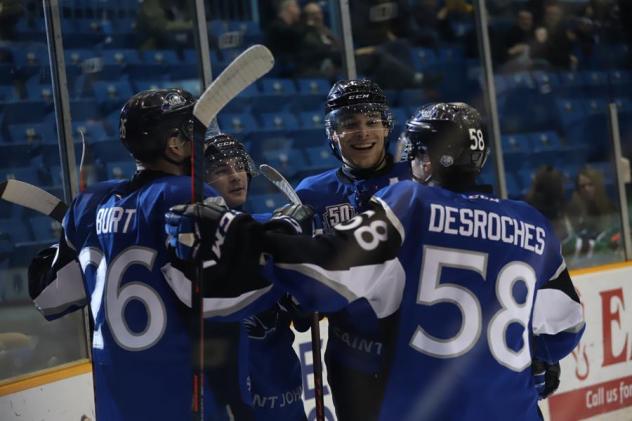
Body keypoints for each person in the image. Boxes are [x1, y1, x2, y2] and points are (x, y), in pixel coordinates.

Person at [167, 102, 585, 420]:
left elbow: (326, 273)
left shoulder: (410, 202)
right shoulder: (531, 224)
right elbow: (565, 327)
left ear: (423, 157)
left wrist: (236, 233)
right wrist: (537, 357)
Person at [27, 88, 279, 420]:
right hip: (182, 393)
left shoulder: (92, 202)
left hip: (116, 399)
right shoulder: (184, 194)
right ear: (175, 144)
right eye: (196, 133)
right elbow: (228, 297)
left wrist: (70, 238)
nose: (204, 144)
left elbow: (51, 298)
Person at [292, 79, 412, 420]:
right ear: (332, 133)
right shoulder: (313, 193)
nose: (363, 133)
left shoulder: (416, 181)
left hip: (418, 353)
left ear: (387, 127)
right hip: (352, 359)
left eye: (372, 121)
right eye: (349, 124)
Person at [203, 133, 307, 420]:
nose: (236, 177)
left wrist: (300, 293)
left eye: (239, 166)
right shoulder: (192, 238)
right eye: (222, 171)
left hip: (278, 381)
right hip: (223, 385)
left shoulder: (271, 226)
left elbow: (303, 317)